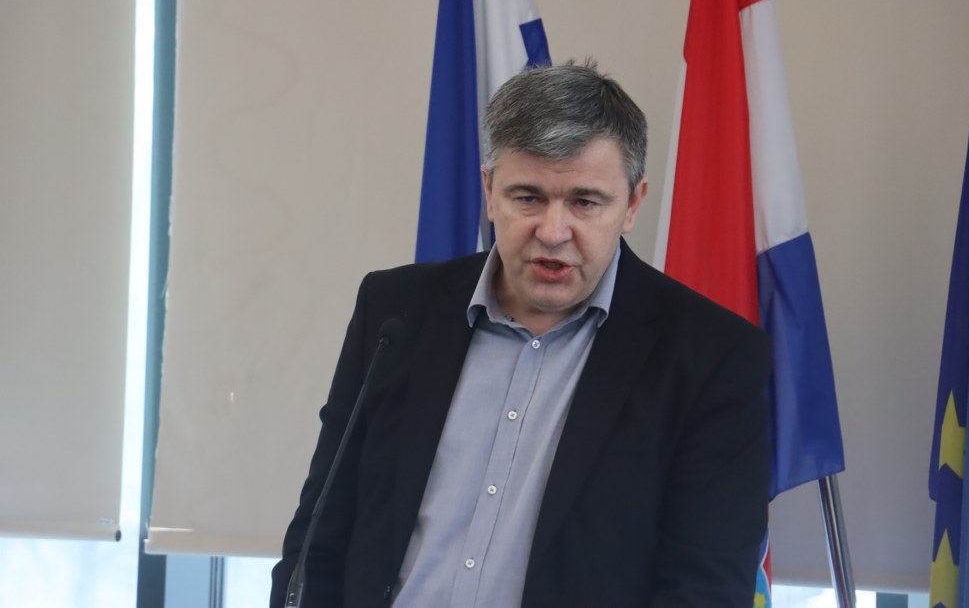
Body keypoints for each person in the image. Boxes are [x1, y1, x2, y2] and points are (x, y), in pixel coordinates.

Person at [270, 61, 771, 608]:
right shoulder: (396, 312)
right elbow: (317, 537)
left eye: (584, 202)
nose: (553, 232)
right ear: (490, 190)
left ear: (632, 203)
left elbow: (704, 590)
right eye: (528, 197)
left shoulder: (712, 356)